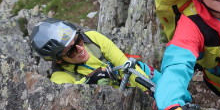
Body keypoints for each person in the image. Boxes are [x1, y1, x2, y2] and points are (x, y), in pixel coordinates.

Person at [29, 18, 158, 93]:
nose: (80, 49)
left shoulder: (93, 39)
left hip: (141, 74)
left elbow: (123, 63)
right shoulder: (59, 78)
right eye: (71, 51)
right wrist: (90, 81)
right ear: (59, 61)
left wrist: (150, 91)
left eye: (78, 40)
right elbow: (68, 96)